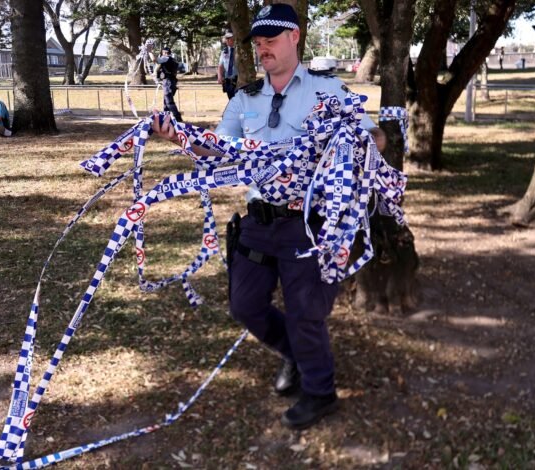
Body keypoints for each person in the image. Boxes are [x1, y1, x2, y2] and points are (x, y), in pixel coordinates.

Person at [152, 3, 377, 430]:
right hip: (258, 222)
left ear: (295, 37)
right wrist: (179, 135)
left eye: (270, 41)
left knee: (305, 311)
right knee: (245, 305)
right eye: (258, 44)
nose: (263, 50)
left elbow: (371, 140)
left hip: (307, 224)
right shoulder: (246, 97)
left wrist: (363, 143)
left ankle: (319, 391)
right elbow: (219, 148)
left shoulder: (329, 92)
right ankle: (294, 354)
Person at [155, 46, 183, 122]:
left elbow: (155, 60)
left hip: (168, 82)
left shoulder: (166, 58)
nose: (164, 54)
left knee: (169, 101)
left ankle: (178, 118)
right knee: (166, 102)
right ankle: (166, 119)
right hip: (172, 82)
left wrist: (149, 51)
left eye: (164, 52)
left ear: (165, 53)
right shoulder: (173, 59)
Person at [217, 31, 238, 99]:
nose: (228, 40)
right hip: (228, 80)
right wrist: (219, 76)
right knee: (231, 100)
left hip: (238, 79)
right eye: (227, 39)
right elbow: (220, 66)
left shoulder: (239, 51)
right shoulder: (224, 52)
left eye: (230, 38)